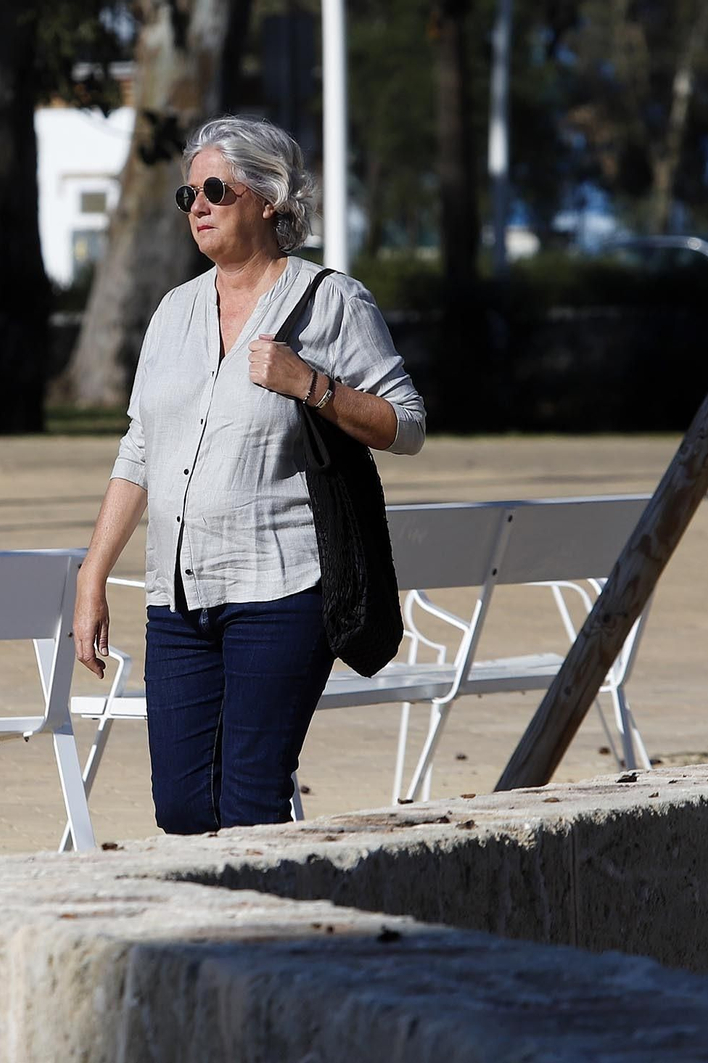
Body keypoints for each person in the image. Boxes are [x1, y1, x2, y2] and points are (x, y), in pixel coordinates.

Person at [73, 115, 426, 836]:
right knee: (179, 808)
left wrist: (312, 385)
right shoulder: (173, 312)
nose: (196, 206)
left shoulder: (331, 301)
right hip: (177, 598)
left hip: (281, 590)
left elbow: (407, 423)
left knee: (250, 804)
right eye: (188, 195)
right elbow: (139, 447)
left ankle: (265, 944)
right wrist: (92, 575)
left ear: (269, 198)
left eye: (214, 190)